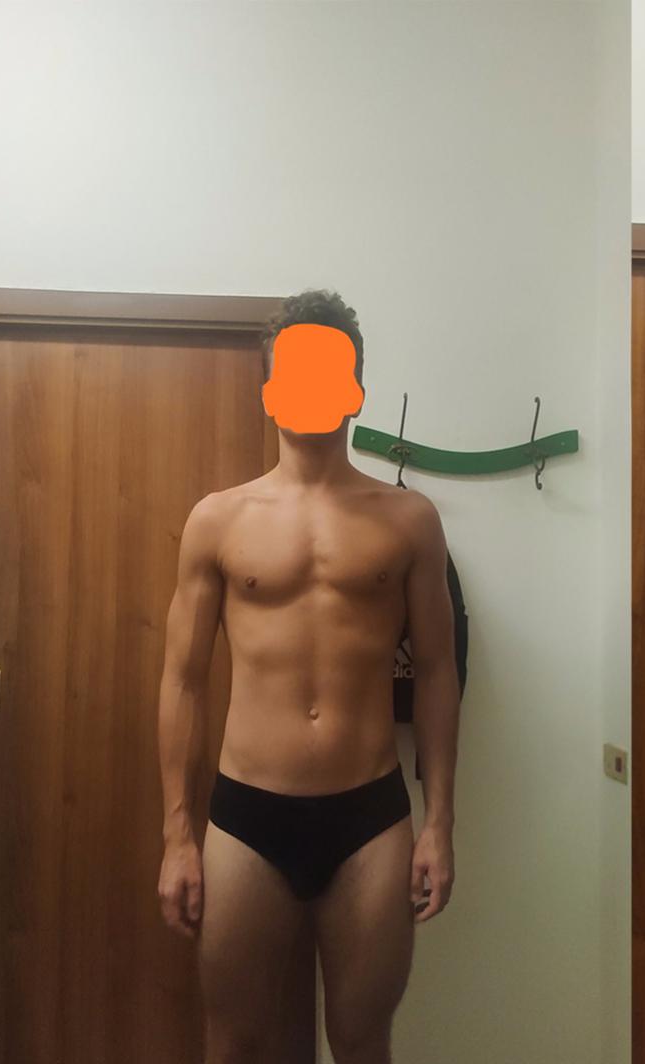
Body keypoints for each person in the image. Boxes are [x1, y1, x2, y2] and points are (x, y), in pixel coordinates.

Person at [156, 289, 461, 1064]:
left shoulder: (409, 521)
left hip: (370, 818)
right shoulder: (218, 520)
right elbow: (183, 679)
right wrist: (177, 834)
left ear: (355, 388)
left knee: (361, 1043)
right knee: (233, 1043)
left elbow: (436, 672)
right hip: (246, 817)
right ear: (269, 389)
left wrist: (440, 822)